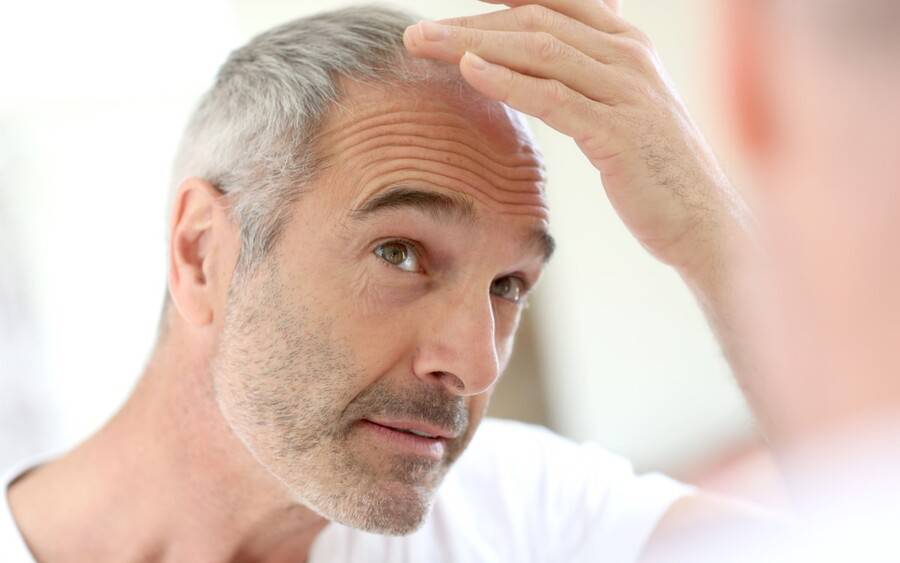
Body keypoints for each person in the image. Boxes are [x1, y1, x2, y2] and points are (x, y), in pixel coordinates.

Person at [2, 2, 760, 562]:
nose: (477, 363)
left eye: (508, 284)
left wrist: (713, 236)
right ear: (202, 253)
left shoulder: (530, 513)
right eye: (400, 251)